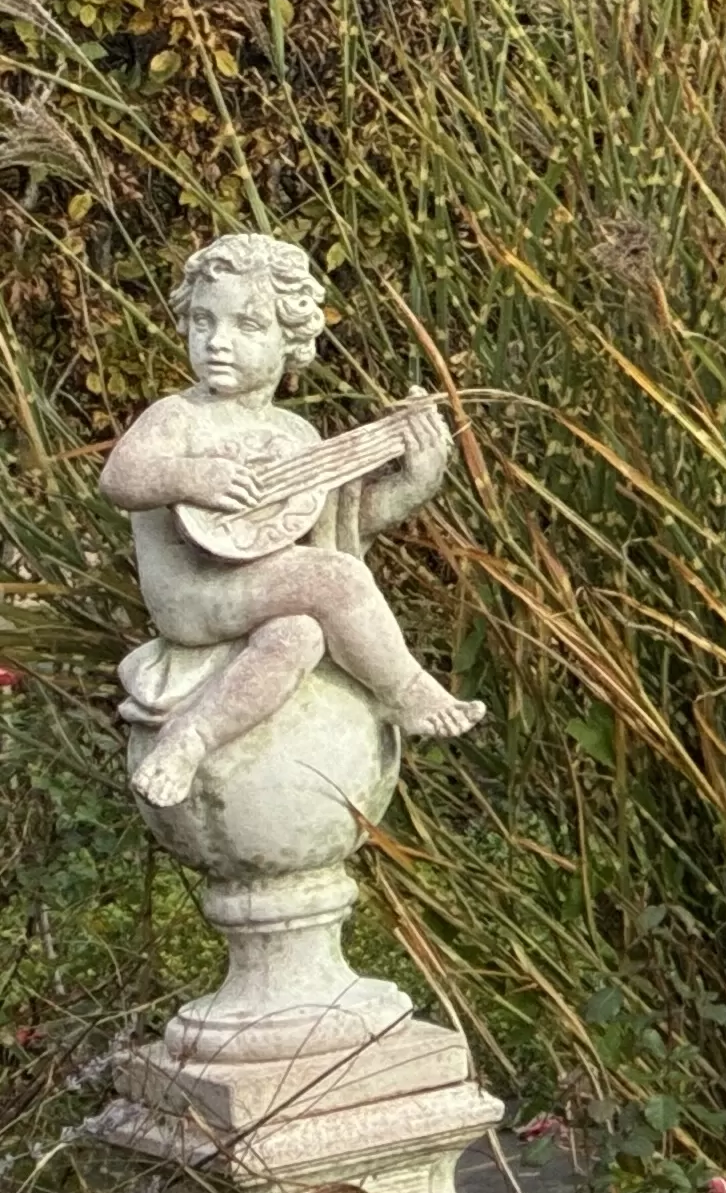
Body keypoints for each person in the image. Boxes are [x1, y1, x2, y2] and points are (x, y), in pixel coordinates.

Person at [100, 233, 481, 808]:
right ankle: (404, 689)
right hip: (192, 597)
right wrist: (193, 477)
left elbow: (333, 530)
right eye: (203, 322)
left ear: (291, 341)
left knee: (298, 635)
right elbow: (119, 479)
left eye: (246, 327)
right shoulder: (177, 416)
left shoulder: (295, 437)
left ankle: (191, 736)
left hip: (252, 593)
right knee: (334, 580)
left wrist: (414, 483)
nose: (216, 343)